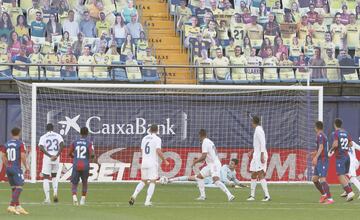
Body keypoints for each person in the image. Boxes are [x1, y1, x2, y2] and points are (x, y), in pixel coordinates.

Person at [129, 124, 169, 206]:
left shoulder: (144, 138)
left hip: (144, 162)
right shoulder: (157, 139)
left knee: (143, 181)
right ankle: (147, 201)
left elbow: (141, 150)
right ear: (157, 131)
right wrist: (165, 160)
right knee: (152, 182)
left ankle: (134, 195)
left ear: (150, 130)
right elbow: (158, 150)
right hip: (152, 163)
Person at [192, 129, 235, 201]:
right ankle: (203, 196)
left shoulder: (204, 142)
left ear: (200, 135)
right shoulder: (210, 141)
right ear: (206, 134)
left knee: (216, 180)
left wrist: (195, 162)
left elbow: (204, 156)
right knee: (199, 177)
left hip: (214, 164)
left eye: (199, 136)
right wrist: (199, 160)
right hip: (211, 164)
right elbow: (206, 156)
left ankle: (230, 195)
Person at [0, 127, 29, 215]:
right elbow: (23, 156)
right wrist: (26, 166)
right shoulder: (20, 144)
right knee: (19, 187)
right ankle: (11, 206)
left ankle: (18, 207)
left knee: (14, 188)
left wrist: (7, 165)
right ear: (19, 133)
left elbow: (2, 155)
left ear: (11, 134)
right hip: (16, 168)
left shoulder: (7, 143)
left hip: (9, 168)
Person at [328, 118, 355, 201]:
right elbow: (350, 144)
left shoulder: (335, 133)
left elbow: (335, 144)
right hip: (347, 156)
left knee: (340, 175)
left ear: (334, 124)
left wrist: (331, 150)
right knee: (343, 174)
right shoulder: (346, 132)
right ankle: (347, 191)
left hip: (340, 157)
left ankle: (350, 192)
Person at [38, 123, 65, 204]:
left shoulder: (43, 137)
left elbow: (41, 147)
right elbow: (62, 145)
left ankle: (47, 199)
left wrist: (50, 155)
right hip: (56, 159)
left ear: (46, 129)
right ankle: (55, 193)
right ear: (53, 128)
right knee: (54, 176)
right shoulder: (58, 135)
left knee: (46, 177)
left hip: (48, 159)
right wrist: (56, 155)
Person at [68, 127, 95, 206]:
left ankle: (74, 196)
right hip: (85, 165)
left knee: (74, 183)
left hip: (76, 164)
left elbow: (69, 153)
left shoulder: (75, 142)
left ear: (80, 133)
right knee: (84, 182)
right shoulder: (89, 143)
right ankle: (82, 199)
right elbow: (92, 154)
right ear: (87, 133)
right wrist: (91, 158)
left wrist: (75, 157)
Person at [247, 116, 270, 201]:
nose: (250, 123)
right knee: (253, 174)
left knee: (260, 174)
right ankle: (252, 195)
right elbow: (258, 144)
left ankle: (267, 196)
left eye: (251, 121)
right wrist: (252, 151)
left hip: (260, 154)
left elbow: (263, 142)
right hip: (256, 155)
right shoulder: (257, 129)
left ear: (253, 122)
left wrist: (262, 155)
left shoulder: (259, 130)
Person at [311, 121, 333, 204]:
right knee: (314, 179)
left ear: (316, 127)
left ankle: (330, 199)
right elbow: (321, 148)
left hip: (323, 160)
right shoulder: (322, 135)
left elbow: (321, 146)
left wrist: (315, 157)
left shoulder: (320, 135)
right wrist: (315, 153)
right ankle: (324, 195)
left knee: (323, 179)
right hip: (320, 159)